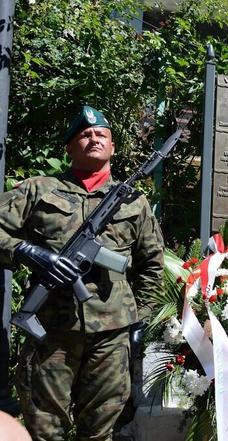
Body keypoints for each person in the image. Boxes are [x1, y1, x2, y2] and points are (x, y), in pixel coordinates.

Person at [0, 105, 165, 440]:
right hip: (49, 330)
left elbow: (151, 266)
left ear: (113, 147)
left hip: (111, 334)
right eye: (84, 135)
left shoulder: (133, 202)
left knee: (100, 429)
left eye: (101, 134)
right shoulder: (38, 189)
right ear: (69, 148)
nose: (93, 139)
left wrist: (139, 321)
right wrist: (28, 252)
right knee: (44, 427)